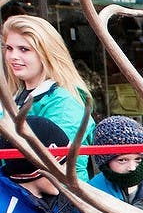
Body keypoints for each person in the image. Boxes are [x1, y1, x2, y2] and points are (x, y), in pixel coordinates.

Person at [2, 15, 95, 180]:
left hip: (60, 199)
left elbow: (50, 163)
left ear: (46, 53)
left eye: (24, 49)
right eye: (9, 48)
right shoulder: (17, 96)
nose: (13, 56)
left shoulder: (65, 103)